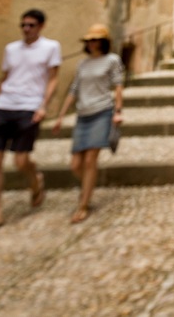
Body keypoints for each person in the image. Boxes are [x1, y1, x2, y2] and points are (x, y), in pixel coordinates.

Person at [0, 8, 62, 236]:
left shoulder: (51, 47)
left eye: (31, 25)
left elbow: (53, 79)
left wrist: (43, 106)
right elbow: (4, 79)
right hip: (3, 105)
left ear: (41, 26)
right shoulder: (11, 49)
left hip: (29, 106)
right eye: (23, 25)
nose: (26, 29)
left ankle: (36, 181)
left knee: (21, 161)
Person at [52, 24, 123, 224]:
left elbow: (118, 86)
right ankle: (87, 188)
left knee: (91, 160)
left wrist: (118, 111)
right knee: (76, 164)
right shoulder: (82, 64)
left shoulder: (112, 60)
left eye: (95, 40)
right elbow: (74, 89)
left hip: (102, 111)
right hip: (83, 115)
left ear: (103, 42)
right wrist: (60, 116)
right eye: (89, 40)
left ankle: (83, 204)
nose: (91, 43)